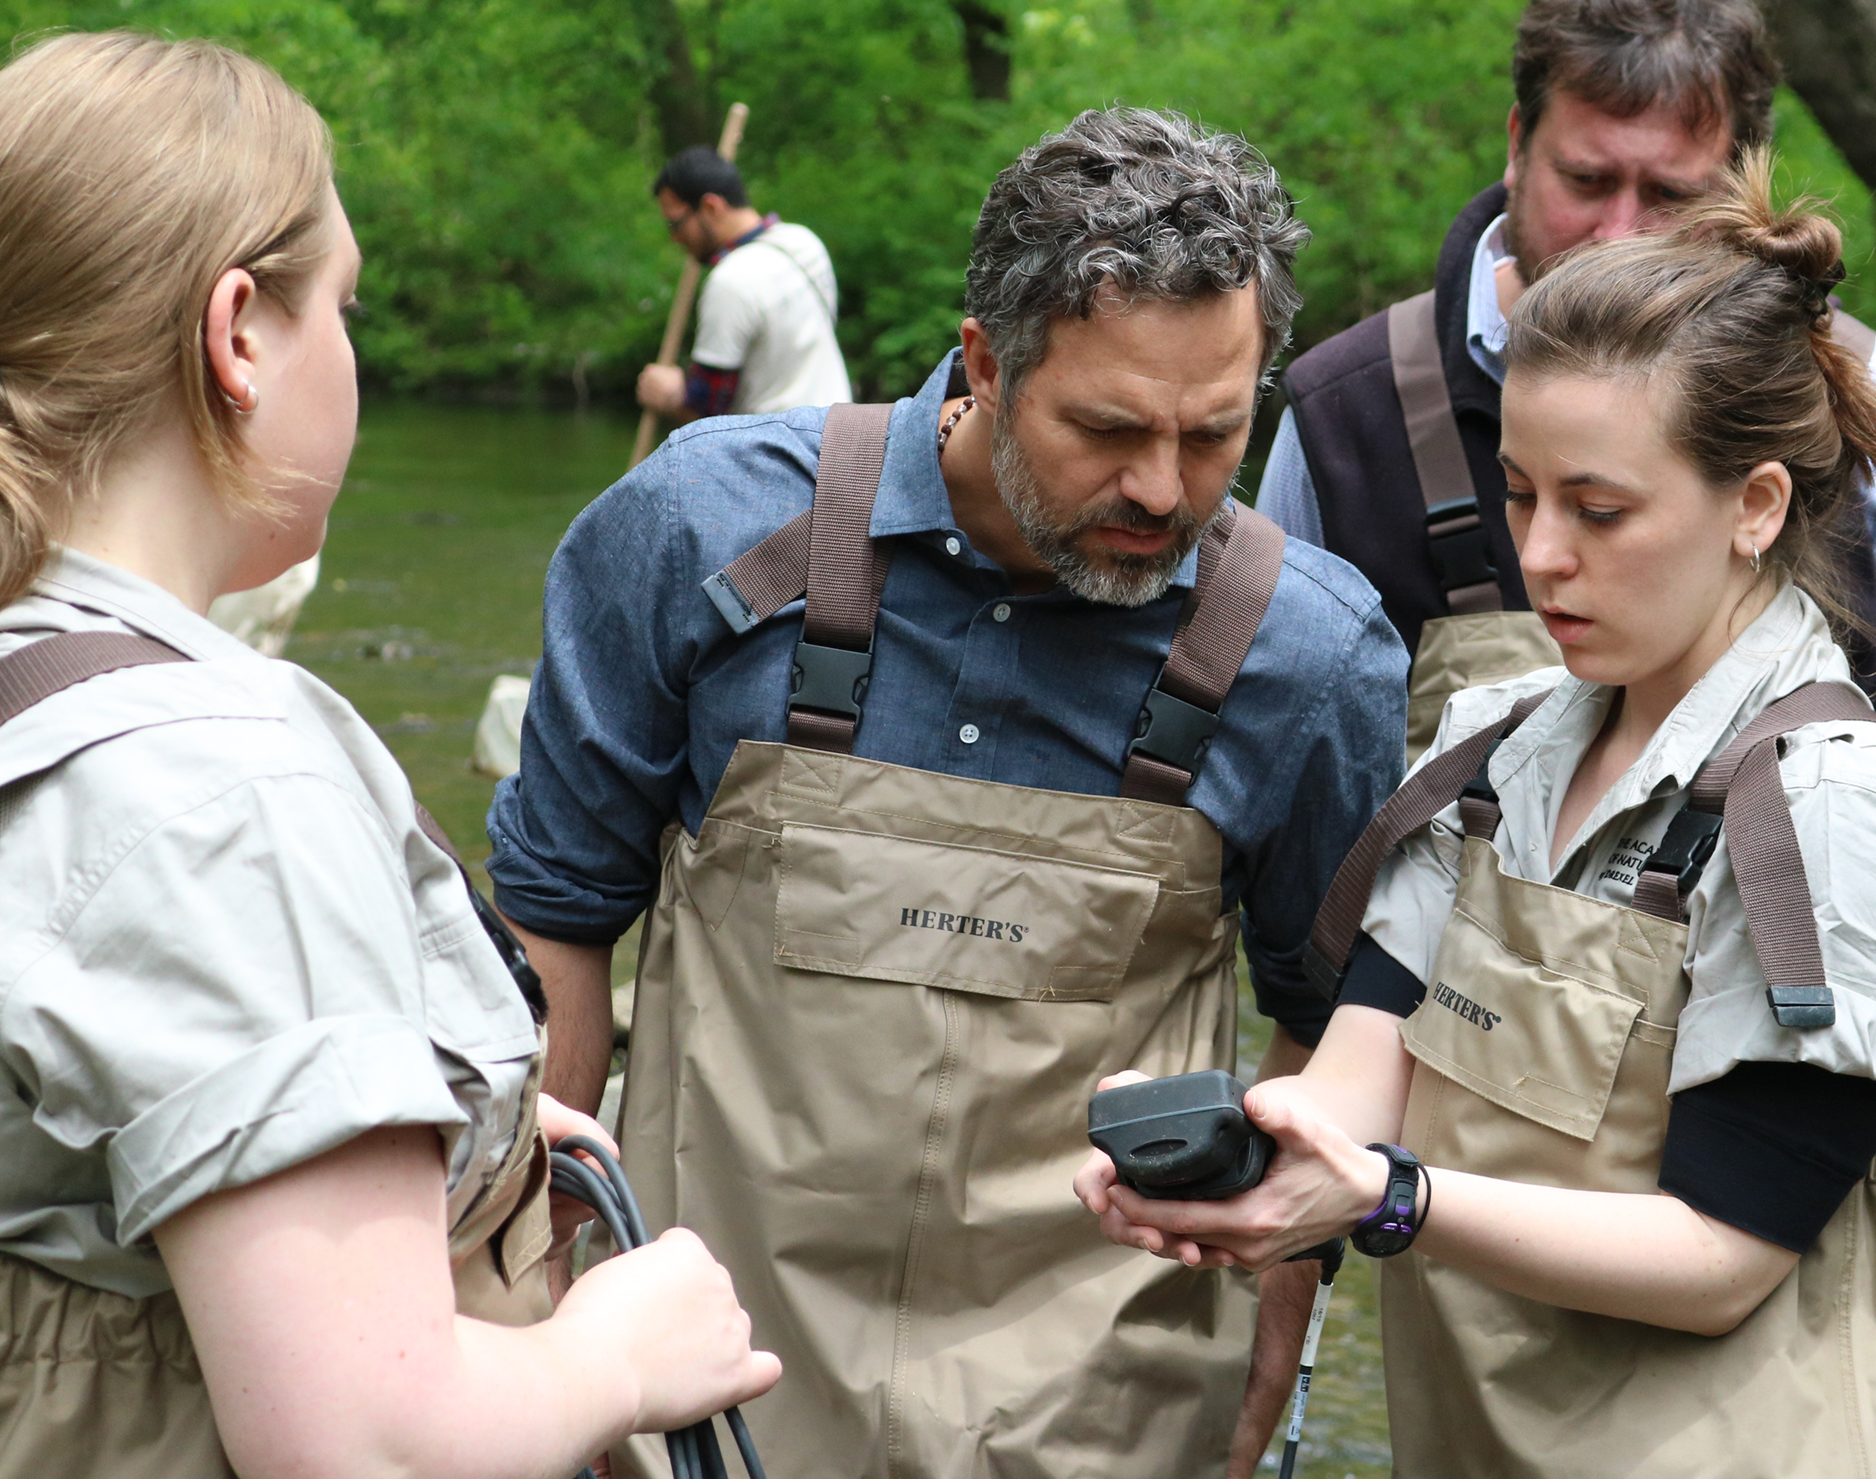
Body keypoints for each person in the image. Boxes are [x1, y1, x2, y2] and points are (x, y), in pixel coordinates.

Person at [488, 107, 1410, 1479]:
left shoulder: (1316, 653)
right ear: (983, 361)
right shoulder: (696, 530)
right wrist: (518, 1298)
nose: (1163, 490)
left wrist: (1269, 1340)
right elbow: (556, 923)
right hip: (694, 1383)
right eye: (1106, 428)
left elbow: (1327, 1028)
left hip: (1105, 1410)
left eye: (1215, 434)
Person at [1083, 158, 1876, 1478]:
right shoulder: (1490, 743)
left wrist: (1389, 1198)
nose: (1542, 553)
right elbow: (1366, 1071)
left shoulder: (1832, 814)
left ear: (1755, 506)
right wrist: (1253, 1159)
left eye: (1600, 508)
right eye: (1521, 491)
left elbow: (1721, 1257)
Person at [0, 32, 777, 1477]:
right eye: (342, 307)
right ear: (236, 334)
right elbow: (366, 1442)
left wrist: (429, 1127)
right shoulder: (221, 787)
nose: (351, 352)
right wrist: (622, 1348)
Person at [1263, 0, 1876, 824]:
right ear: (1516, 144)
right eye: (1586, 180)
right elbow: (1280, 764)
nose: (1620, 233)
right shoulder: (1343, 413)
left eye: (1669, 194)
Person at [635, 146, 851, 421]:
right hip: (842, 438)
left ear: (711, 207)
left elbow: (708, 420)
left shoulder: (730, 281)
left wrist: (669, 396)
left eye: (676, 225)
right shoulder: (804, 242)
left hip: (781, 457)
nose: (675, 238)